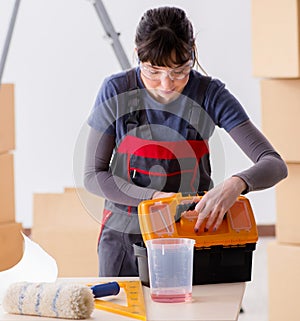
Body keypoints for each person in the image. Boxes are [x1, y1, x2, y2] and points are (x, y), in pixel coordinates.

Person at [84, 6, 287, 277]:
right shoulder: (116, 90)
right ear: (138, 56)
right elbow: (92, 175)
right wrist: (155, 198)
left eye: (179, 71)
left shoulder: (209, 94)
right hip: (125, 240)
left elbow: (274, 164)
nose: (166, 84)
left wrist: (235, 185)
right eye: (153, 71)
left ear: (192, 52)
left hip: (192, 235)